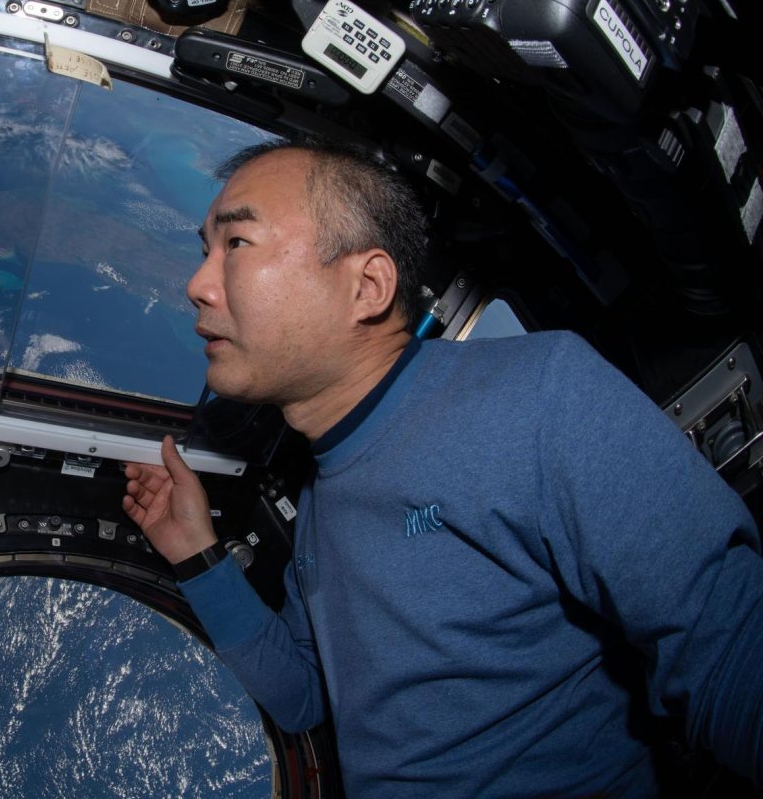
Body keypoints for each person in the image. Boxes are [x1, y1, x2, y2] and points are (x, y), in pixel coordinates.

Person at [121, 139, 763, 797]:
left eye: (236, 244)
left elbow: (732, 662)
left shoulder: (539, 397)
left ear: (366, 287)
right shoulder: (322, 496)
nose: (196, 285)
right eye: (205, 251)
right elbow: (302, 696)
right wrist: (197, 554)